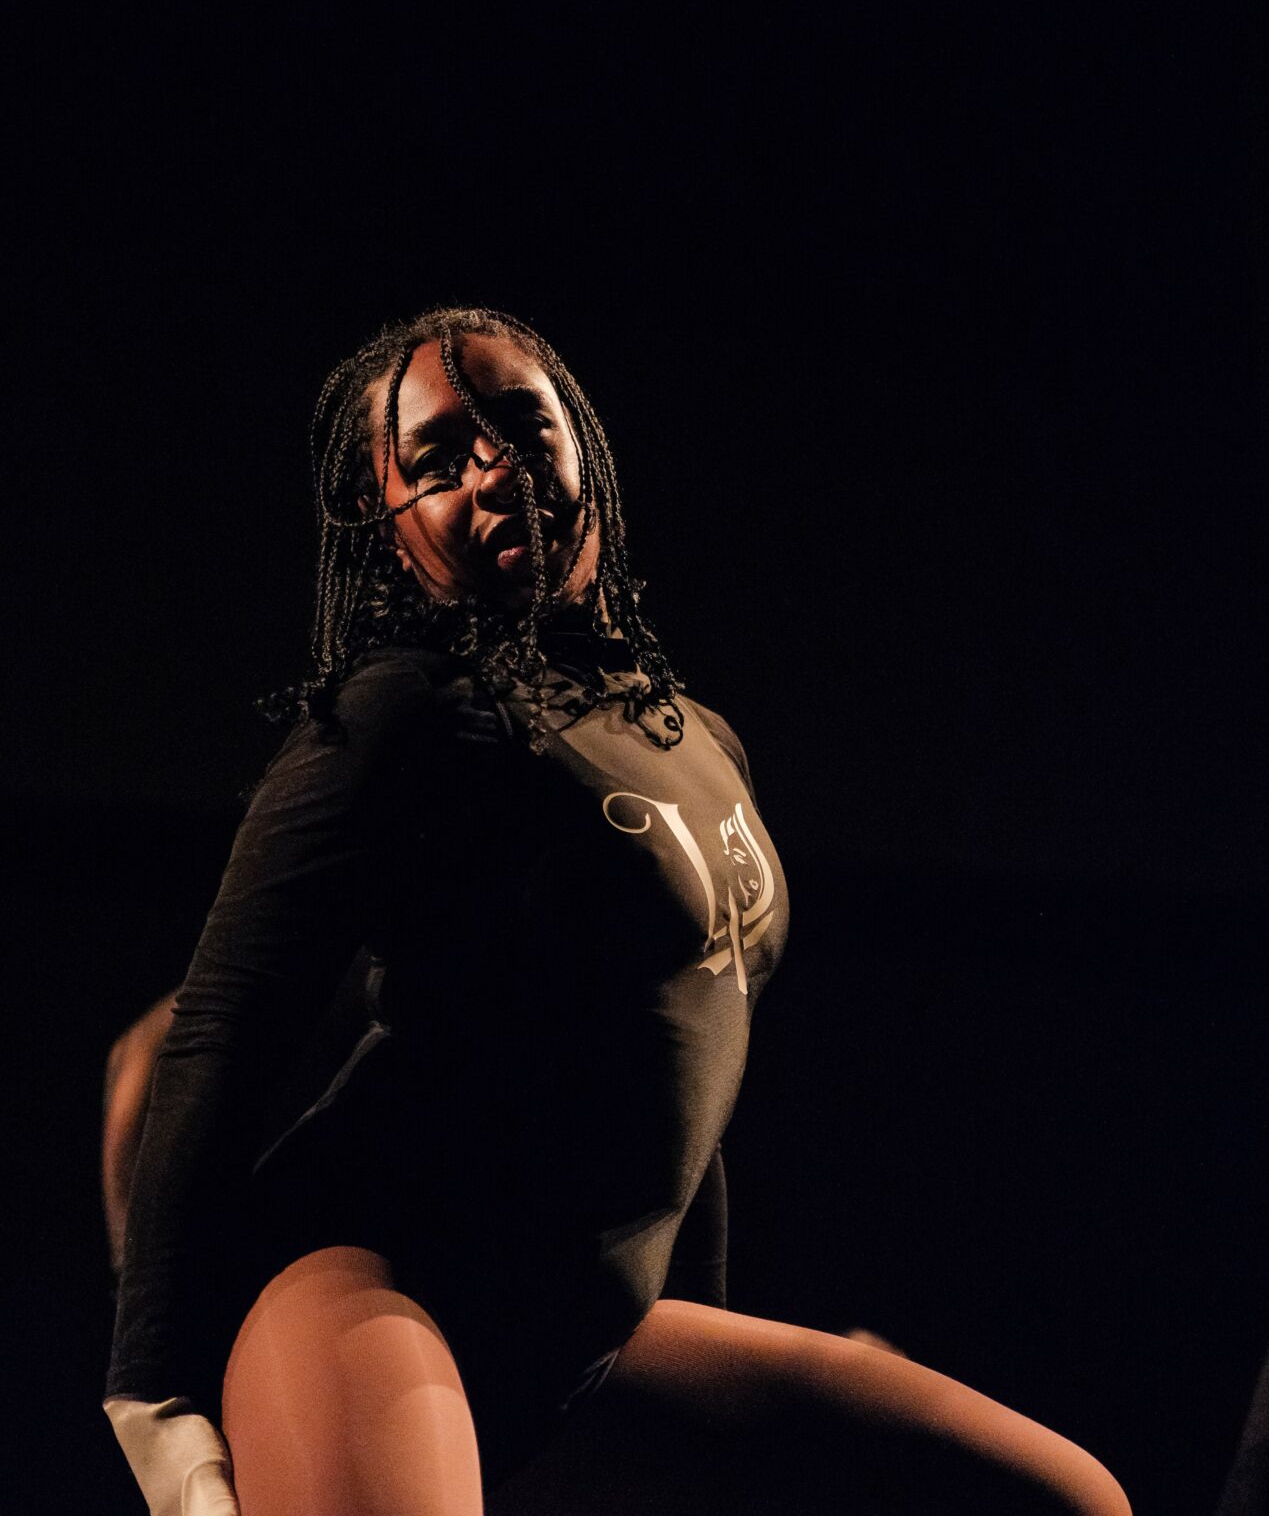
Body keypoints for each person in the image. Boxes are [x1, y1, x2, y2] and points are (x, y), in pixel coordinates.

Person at [104, 305, 1130, 1515]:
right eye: (437, 460)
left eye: (518, 426)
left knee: (1066, 1498)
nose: (491, 469)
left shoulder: (696, 737)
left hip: (580, 1330)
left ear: (580, 442)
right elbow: (214, 1033)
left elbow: (682, 1055)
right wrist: (158, 1405)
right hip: (375, 1286)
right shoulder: (401, 713)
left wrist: (699, 1314)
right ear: (391, 534)